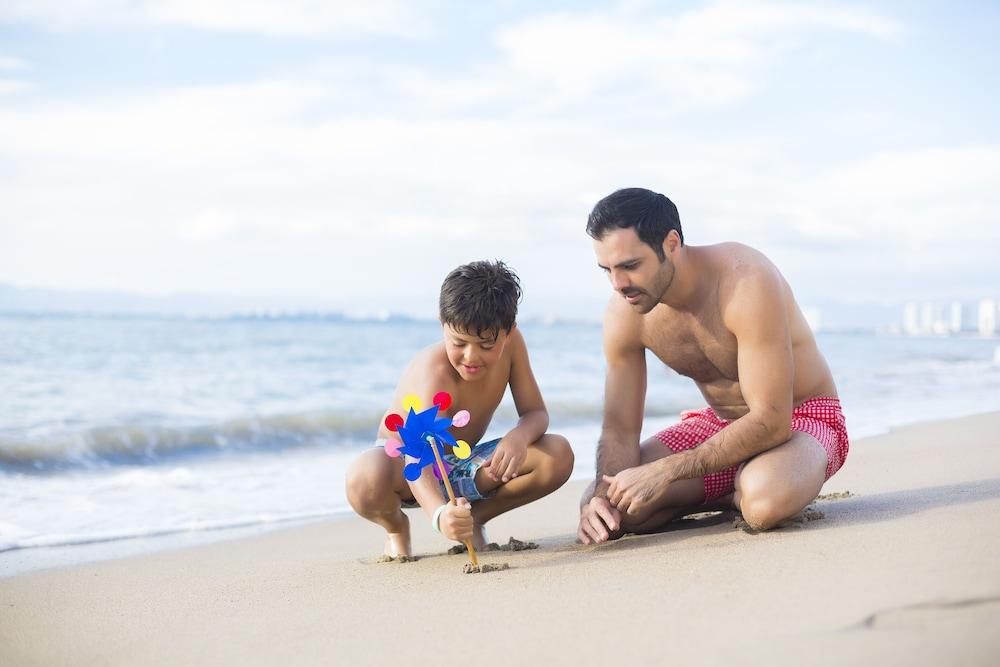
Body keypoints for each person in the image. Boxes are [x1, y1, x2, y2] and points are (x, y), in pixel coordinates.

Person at [577, 188, 849, 544]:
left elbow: (772, 419)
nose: (618, 284)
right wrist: (601, 496)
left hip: (801, 418)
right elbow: (619, 430)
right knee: (615, 508)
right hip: (720, 427)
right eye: (607, 270)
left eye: (630, 266)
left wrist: (669, 471)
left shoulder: (744, 280)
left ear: (671, 244)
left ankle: (747, 485)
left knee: (764, 501)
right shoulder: (624, 313)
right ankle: (732, 488)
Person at [347, 260, 574, 560]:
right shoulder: (434, 372)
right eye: (459, 342)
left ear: (508, 332)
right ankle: (395, 527)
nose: (471, 356)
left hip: (461, 463)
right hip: (406, 467)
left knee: (557, 454)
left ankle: (476, 517)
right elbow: (418, 455)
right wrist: (439, 515)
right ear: (442, 323)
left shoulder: (514, 346)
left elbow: (535, 413)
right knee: (364, 477)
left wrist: (518, 437)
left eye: (485, 345)